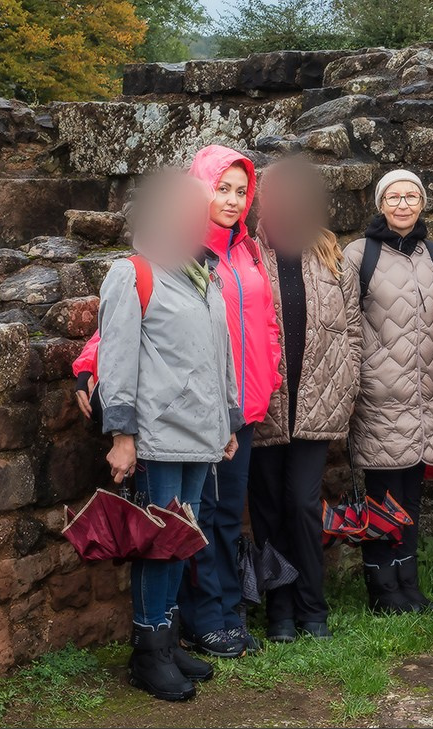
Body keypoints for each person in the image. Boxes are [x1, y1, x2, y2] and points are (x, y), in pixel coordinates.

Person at [96, 171, 241, 701]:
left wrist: (228, 418)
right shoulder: (133, 272)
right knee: (158, 544)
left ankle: (168, 637)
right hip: (157, 436)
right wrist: (122, 434)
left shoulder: (206, 273)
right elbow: (116, 357)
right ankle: (147, 653)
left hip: (202, 433)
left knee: (183, 540)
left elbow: (220, 352)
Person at [173, 145, 281, 658]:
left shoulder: (247, 251)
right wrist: (90, 367)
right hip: (202, 407)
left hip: (246, 410)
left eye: (242, 191)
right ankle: (204, 617)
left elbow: (262, 319)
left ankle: (230, 608)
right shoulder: (180, 247)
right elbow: (140, 310)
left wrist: (272, 370)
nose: (234, 200)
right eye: (223, 188)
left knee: (228, 513)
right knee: (206, 513)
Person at [249, 156, 362, 642]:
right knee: (268, 509)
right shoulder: (249, 253)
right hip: (265, 404)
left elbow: (353, 328)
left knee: (302, 504)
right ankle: (280, 613)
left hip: (317, 404)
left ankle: (313, 609)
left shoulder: (330, 255)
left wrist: (347, 381)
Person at [343, 168, 433, 614]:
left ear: (422, 203)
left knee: (411, 493)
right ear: (380, 203)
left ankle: (408, 583)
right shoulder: (358, 255)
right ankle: (382, 589)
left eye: (412, 196)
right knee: (382, 496)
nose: (404, 204)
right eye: (395, 197)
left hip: (424, 394)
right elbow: (348, 323)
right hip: (379, 395)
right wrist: (362, 376)